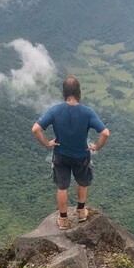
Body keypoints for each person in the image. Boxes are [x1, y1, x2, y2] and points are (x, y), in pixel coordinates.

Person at [32, 75, 110, 229]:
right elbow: (105, 133)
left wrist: (47, 143)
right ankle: (81, 212)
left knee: (62, 187)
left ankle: (63, 220)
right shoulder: (87, 112)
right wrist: (97, 147)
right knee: (82, 182)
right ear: (78, 92)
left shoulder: (55, 110)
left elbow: (36, 129)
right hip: (81, 154)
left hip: (60, 155)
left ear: (64, 92)